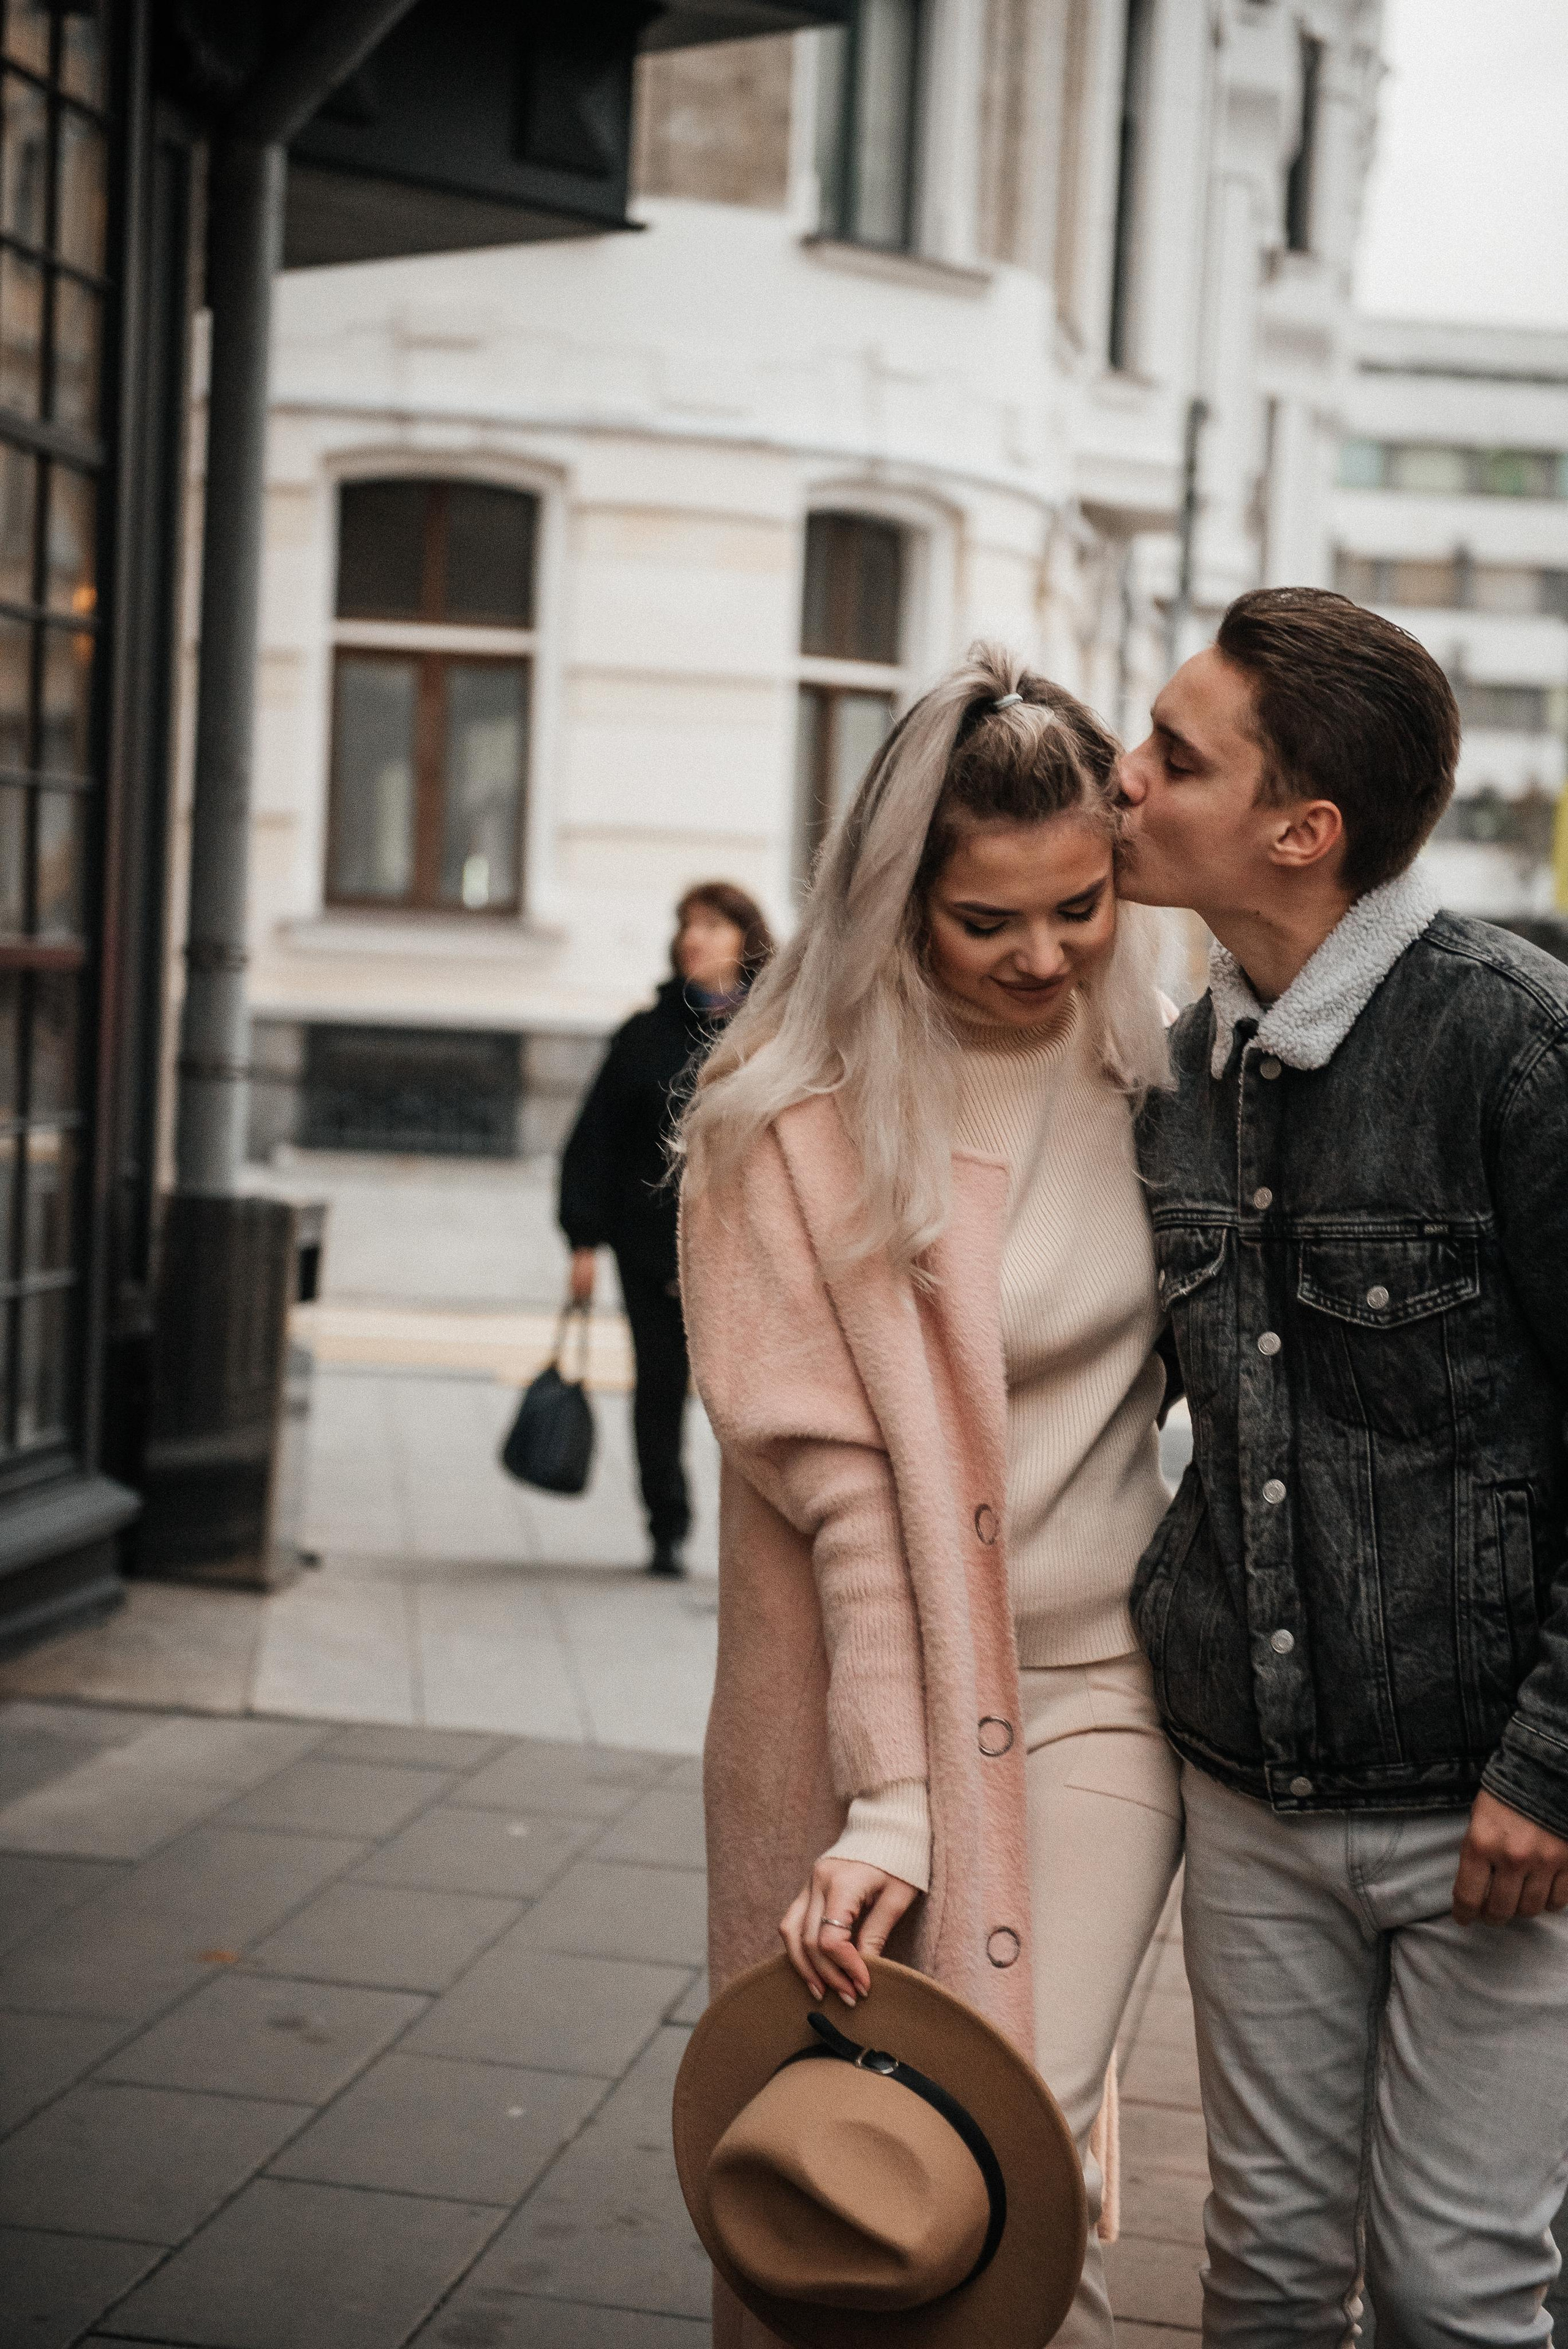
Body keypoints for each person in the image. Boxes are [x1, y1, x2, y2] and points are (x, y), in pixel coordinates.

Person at [679, 646, 1185, 2348]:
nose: (1045, 954)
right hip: (863, 1712)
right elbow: (845, 1501)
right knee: (863, 2208)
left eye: (1080, 905)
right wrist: (892, 1803)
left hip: (1096, 1688)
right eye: (988, 921)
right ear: (898, 905)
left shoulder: (1160, 1076)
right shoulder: (782, 1123)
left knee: (1009, 2156)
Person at [1117, 586, 1568, 2346]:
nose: (1124, 776)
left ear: (1300, 829)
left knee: (1455, 2292)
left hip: (1492, 1816)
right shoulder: (1174, 1070)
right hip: (1250, 1791)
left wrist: (1551, 1763)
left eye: (1174, 757)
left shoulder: (1515, 1044)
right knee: (1266, 2274)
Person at [559, 881, 772, 1578]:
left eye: (711, 924)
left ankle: (765, 1530)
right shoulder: (645, 1034)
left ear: (745, 938)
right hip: (651, 1246)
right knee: (658, 1387)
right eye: (687, 925)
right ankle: (667, 1525)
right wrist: (582, 1237)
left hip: (749, 1250)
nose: (693, 938)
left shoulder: (775, 1033)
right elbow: (596, 1139)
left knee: (751, 1396)